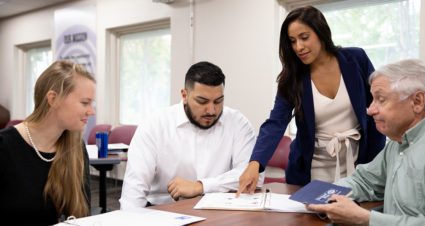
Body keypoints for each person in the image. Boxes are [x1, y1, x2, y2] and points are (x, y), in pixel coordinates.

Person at [237, 6, 385, 195]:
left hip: (358, 165)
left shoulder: (356, 59)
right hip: (312, 170)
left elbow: (377, 106)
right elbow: (275, 123)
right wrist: (254, 165)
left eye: (304, 37)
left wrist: (376, 162)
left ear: (321, 32)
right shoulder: (292, 78)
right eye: (292, 41)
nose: (299, 47)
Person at [307, 59, 425, 225]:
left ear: (417, 101)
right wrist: (322, 194)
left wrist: (364, 219)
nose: (370, 110)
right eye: (373, 99)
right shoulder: (398, 141)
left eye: (381, 99)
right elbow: (364, 181)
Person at [119, 61, 263, 208]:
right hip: (162, 210)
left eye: (218, 101)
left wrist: (200, 187)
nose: (211, 111)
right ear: (184, 95)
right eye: (202, 101)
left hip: (218, 210)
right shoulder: (155, 125)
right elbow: (133, 195)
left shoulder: (238, 123)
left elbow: (253, 176)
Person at [0, 60, 96, 224]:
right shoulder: (4, 146)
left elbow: (82, 215)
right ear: (53, 98)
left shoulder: (76, 147)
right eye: (85, 102)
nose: (92, 111)